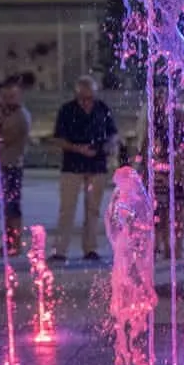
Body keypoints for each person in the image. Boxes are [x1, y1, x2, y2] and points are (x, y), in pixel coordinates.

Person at [51, 75, 118, 262]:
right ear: (76, 95)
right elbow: (57, 138)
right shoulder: (66, 110)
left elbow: (113, 133)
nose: (87, 102)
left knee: (93, 210)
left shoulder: (102, 109)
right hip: (72, 165)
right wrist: (77, 148)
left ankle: (90, 248)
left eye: (90, 98)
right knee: (67, 209)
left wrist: (109, 146)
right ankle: (60, 250)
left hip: (97, 165)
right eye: (83, 98)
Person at [140, 82, 184, 258]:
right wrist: (144, 167)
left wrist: (183, 161)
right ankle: (161, 245)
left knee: (177, 208)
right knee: (159, 209)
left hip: (177, 169)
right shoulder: (153, 119)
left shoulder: (180, 117)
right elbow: (146, 144)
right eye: (159, 96)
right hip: (159, 170)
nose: (162, 99)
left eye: (165, 95)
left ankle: (176, 248)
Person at [0, 75, 32, 255]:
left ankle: (14, 243)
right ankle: (8, 243)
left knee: (11, 205)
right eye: (4, 96)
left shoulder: (20, 116)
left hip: (11, 165)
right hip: (0, 164)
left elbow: (4, 138)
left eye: (10, 97)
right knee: (3, 206)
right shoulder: (4, 113)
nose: (5, 100)